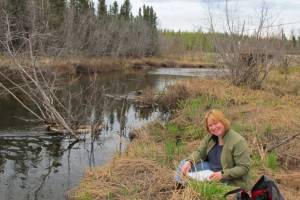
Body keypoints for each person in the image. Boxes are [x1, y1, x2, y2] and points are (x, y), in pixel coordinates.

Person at [175, 109, 251, 191]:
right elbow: (200, 152)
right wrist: (189, 161)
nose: (213, 127)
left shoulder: (238, 141)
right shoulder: (210, 137)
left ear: (223, 122)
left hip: (228, 178)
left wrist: (222, 174)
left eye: (216, 123)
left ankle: (198, 188)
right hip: (210, 172)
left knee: (209, 188)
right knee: (183, 164)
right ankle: (181, 190)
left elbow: (243, 168)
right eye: (210, 125)